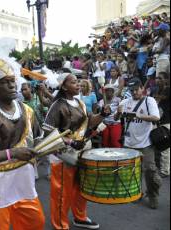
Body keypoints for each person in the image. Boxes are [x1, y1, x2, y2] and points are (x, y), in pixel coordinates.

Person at [0, 58, 45, 230]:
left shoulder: (27, 110)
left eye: (13, 81)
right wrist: (13, 153)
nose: (12, 86)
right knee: (0, 227)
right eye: (6, 83)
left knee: (35, 222)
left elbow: (39, 136)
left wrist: (41, 149)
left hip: (24, 181)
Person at [43, 73, 110, 230]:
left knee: (81, 187)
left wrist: (102, 115)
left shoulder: (79, 102)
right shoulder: (57, 105)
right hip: (63, 155)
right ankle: (60, 224)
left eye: (78, 81)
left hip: (81, 151)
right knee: (62, 193)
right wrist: (71, 141)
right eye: (74, 82)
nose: (78, 84)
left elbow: (89, 122)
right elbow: (47, 132)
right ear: (64, 87)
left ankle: (80, 217)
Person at [114, 78, 162, 209]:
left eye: (136, 89)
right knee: (131, 172)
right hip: (129, 143)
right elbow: (115, 119)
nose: (134, 92)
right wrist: (118, 112)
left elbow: (156, 117)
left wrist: (137, 116)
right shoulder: (125, 101)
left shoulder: (149, 101)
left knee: (150, 172)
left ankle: (153, 195)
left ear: (142, 88)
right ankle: (136, 193)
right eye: (132, 90)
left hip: (146, 143)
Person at [154, 72, 170, 177]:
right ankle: (160, 167)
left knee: (165, 147)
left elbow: (161, 98)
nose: (157, 80)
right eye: (156, 78)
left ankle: (165, 171)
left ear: (166, 80)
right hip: (159, 121)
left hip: (167, 121)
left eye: (160, 78)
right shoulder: (157, 90)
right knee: (158, 145)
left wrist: (155, 96)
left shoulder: (168, 89)